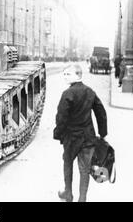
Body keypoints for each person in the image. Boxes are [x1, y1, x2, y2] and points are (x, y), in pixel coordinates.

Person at [54, 64, 107, 202]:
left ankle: (68, 193)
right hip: (88, 138)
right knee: (85, 170)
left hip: (71, 138)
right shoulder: (90, 92)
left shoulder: (67, 94)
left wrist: (58, 133)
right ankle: (82, 198)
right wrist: (102, 133)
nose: (65, 77)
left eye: (67, 74)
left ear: (76, 75)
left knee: (67, 164)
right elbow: (101, 112)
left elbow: (61, 118)